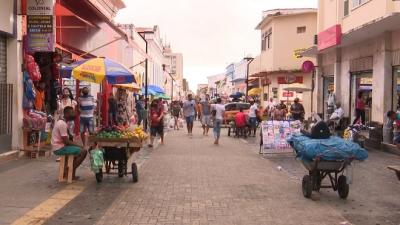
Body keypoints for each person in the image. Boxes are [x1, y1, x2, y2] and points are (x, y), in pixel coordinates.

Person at [51, 106, 87, 180]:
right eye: (72, 112)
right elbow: (66, 141)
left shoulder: (63, 122)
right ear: (66, 114)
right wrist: (80, 146)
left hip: (60, 146)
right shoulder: (62, 124)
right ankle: (69, 171)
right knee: (84, 151)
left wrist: (71, 136)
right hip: (59, 148)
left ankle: (69, 171)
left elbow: (68, 138)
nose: (74, 114)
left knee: (77, 152)